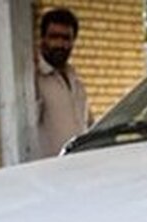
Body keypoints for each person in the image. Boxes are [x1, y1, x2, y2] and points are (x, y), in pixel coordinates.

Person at [33, 7, 93, 159]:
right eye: (54, 37)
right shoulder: (32, 80)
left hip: (79, 167)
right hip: (46, 172)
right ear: (43, 39)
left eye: (66, 38)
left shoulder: (75, 81)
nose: (60, 44)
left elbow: (88, 125)